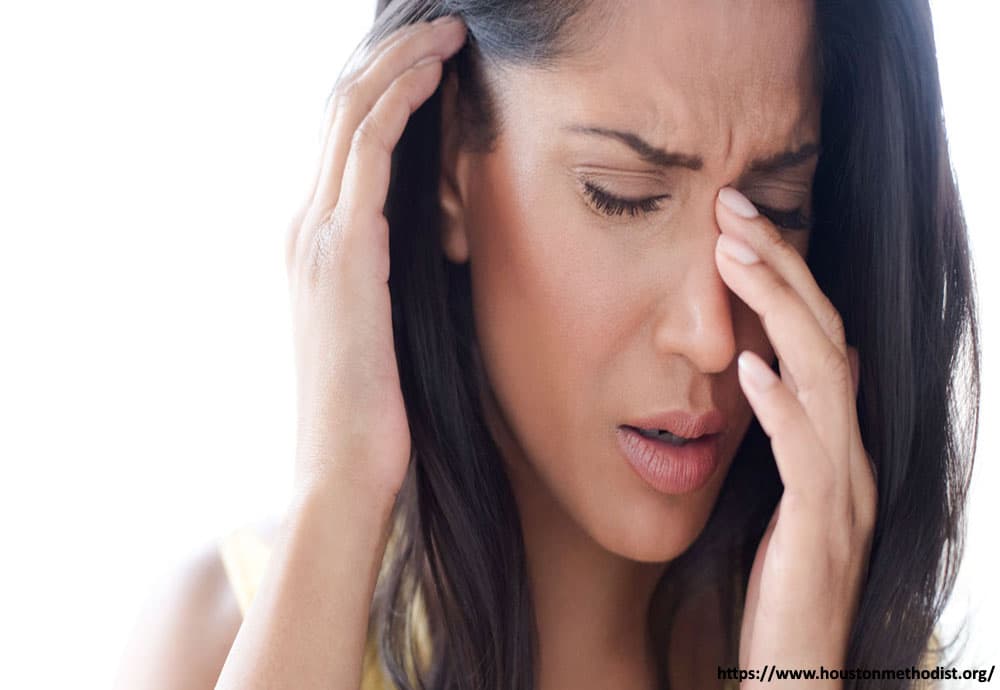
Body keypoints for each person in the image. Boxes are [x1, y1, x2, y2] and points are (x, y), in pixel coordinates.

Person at [113, 1, 979, 689]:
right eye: (621, 195)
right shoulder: (220, 645)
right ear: (450, 160)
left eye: (778, 208)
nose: (712, 336)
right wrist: (338, 493)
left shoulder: (868, 661)